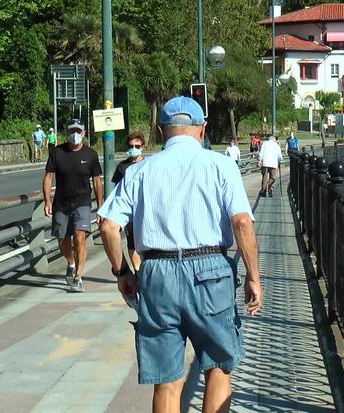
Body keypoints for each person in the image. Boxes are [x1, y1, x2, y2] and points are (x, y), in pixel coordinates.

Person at [98, 96, 263, 413]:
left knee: (167, 380)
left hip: (157, 273)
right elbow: (242, 221)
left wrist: (123, 273)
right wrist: (254, 277)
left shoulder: (139, 171)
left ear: (162, 132)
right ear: (202, 129)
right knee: (218, 367)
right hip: (211, 272)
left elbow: (108, 227)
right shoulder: (222, 165)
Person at [43, 119, 104, 292]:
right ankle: (70, 262)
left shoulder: (90, 154)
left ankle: (78, 276)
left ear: (84, 133)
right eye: (71, 131)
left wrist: (101, 205)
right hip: (61, 202)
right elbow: (48, 177)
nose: (75, 135)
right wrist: (47, 200)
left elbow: (97, 181)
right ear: (67, 133)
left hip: (82, 202)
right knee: (62, 240)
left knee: (79, 237)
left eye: (78, 131)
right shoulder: (57, 152)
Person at [110, 131, 146, 272]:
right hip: (129, 211)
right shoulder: (122, 167)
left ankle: (146, 269)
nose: (134, 148)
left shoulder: (148, 165)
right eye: (131, 145)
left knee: (145, 242)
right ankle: (138, 271)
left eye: (137, 146)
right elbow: (115, 191)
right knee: (132, 244)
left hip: (145, 210)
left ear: (142, 146)